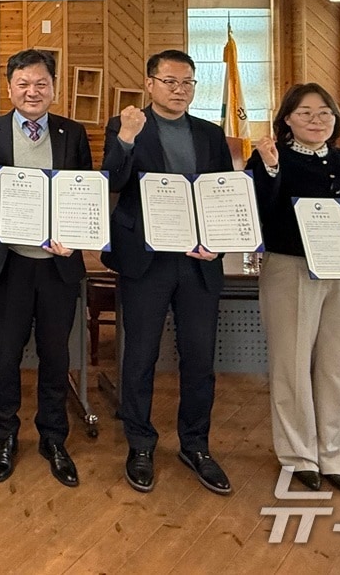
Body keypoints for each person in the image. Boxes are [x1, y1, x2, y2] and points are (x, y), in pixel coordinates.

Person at [102, 49, 233, 496]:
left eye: (188, 83)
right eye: (171, 81)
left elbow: (221, 194)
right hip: (146, 259)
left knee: (199, 359)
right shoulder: (129, 125)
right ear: (151, 83)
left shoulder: (212, 134)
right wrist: (125, 139)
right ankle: (140, 443)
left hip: (199, 262)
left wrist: (217, 242)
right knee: (140, 357)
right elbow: (113, 182)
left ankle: (195, 445)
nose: (180, 90)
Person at [0, 48, 90, 488]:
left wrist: (74, 237)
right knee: (5, 356)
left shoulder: (72, 133)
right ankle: (5, 436)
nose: (32, 92)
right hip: (9, 266)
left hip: (57, 268)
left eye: (41, 84)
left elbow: (82, 192)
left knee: (57, 356)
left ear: (53, 88)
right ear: (10, 88)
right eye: (23, 84)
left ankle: (53, 438)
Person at [251, 83, 340, 494]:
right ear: (287, 118)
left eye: (324, 113)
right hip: (291, 270)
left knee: (339, 367)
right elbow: (258, 212)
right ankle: (299, 454)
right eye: (305, 113)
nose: (316, 121)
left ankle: (335, 455)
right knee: (292, 364)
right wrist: (268, 169)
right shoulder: (270, 158)